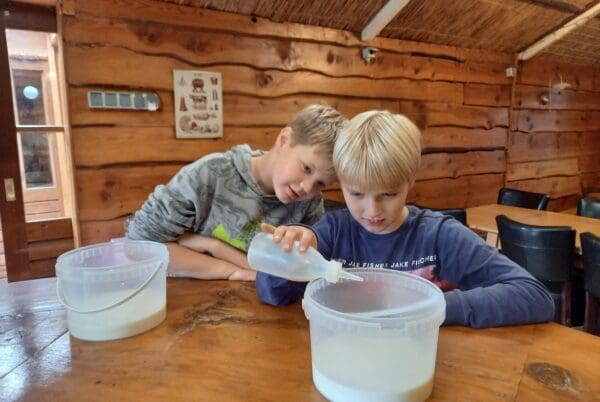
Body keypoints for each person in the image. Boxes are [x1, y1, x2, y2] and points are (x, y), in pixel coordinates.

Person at [255, 110, 555, 328]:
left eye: (388, 194)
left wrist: (433, 307)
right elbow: (272, 295)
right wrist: (286, 255)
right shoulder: (333, 232)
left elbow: (535, 297)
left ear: (410, 181)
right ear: (341, 183)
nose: (372, 211)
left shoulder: (438, 235)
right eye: (356, 193)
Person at [126, 104, 348, 281]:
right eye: (306, 168)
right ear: (284, 140)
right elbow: (138, 246)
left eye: (321, 183)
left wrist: (213, 247)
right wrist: (228, 270)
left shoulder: (311, 204)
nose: (307, 188)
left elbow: (299, 271)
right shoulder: (209, 174)